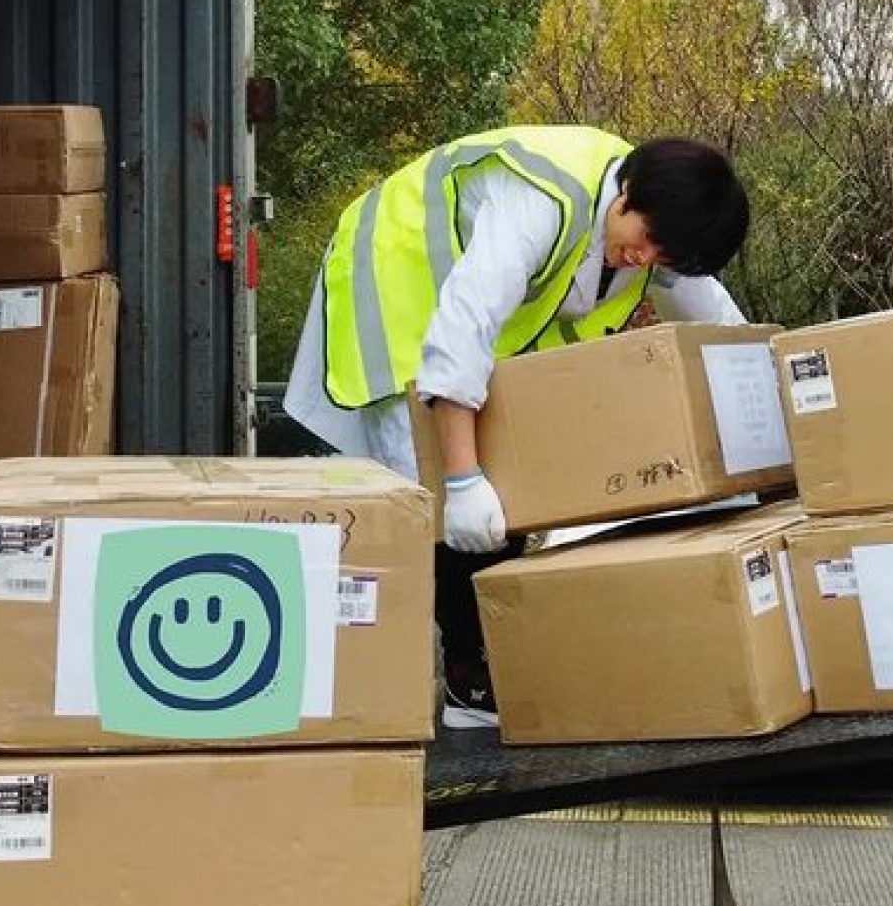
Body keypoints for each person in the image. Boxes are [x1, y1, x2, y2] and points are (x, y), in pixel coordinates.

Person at [284, 125, 749, 730]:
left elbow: (716, 322)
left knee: (498, 491)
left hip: (477, 321)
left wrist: (759, 399)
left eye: (663, 257)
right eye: (646, 242)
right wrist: (462, 478)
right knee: (432, 493)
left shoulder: (656, 222)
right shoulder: (541, 201)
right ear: (627, 193)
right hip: (400, 277)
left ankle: (482, 664)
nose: (644, 261)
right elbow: (464, 329)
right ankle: (456, 678)